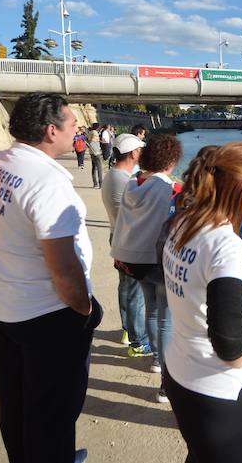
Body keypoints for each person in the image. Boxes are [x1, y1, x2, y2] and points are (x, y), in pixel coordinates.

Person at [0, 92, 101, 463]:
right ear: (50, 130)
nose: (78, 128)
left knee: (15, 402)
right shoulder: (47, 182)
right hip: (47, 316)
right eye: (73, 123)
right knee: (53, 412)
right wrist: (84, 309)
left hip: (0, 307)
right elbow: (61, 266)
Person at [163, 141, 242, 462]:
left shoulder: (184, 222)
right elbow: (229, 345)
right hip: (220, 392)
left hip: (180, 374)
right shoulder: (226, 246)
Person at [111, 134, 183, 403]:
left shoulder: (133, 183)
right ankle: (166, 383)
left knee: (152, 311)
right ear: (172, 160)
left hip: (133, 259)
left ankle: (155, 358)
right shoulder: (170, 188)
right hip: (158, 260)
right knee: (166, 318)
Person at [101, 133, 149, 355]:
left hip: (117, 236)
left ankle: (128, 330)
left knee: (126, 288)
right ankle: (138, 341)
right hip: (130, 241)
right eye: (140, 149)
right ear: (133, 153)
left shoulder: (113, 174)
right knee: (136, 293)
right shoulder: (127, 180)